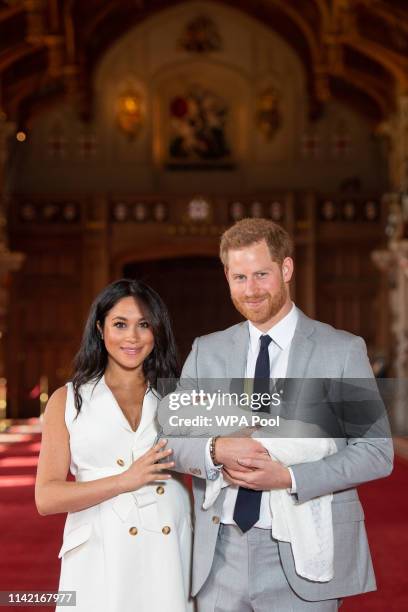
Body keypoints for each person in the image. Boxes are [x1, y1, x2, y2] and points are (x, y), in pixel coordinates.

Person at [159, 218, 394, 612]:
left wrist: (289, 477)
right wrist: (216, 449)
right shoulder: (207, 352)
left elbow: (375, 451)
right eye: (239, 277)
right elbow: (171, 440)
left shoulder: (341, 351)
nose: (250, 290)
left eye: (261, 274)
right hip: (220, 554)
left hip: (305, 554)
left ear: (286, 269)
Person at [35, 279, 194, 612]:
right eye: (120, 324)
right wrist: (124, 481)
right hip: (98, 551)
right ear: (99, 328)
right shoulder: (69, 400)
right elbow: (46, 497)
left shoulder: (178, 396)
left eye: (144, 325)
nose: (132, 337)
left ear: (157, 331)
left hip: (167, 549)